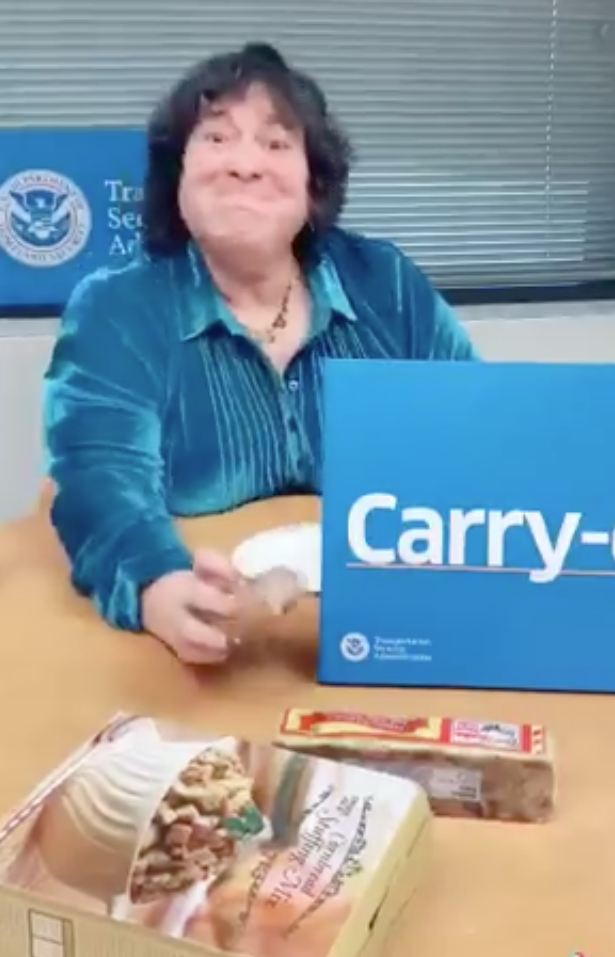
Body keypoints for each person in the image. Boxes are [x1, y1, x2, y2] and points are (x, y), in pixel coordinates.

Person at [43, 42, 480, 666]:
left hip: (387, 626)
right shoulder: (118, 308)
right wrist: (157, 585)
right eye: (217, 139)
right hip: (204, 631)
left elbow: (473, 437)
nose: (245, 165)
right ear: (177, 175)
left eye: (276, 144)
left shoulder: (385, 284)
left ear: (312, 183)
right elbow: (101, 479)